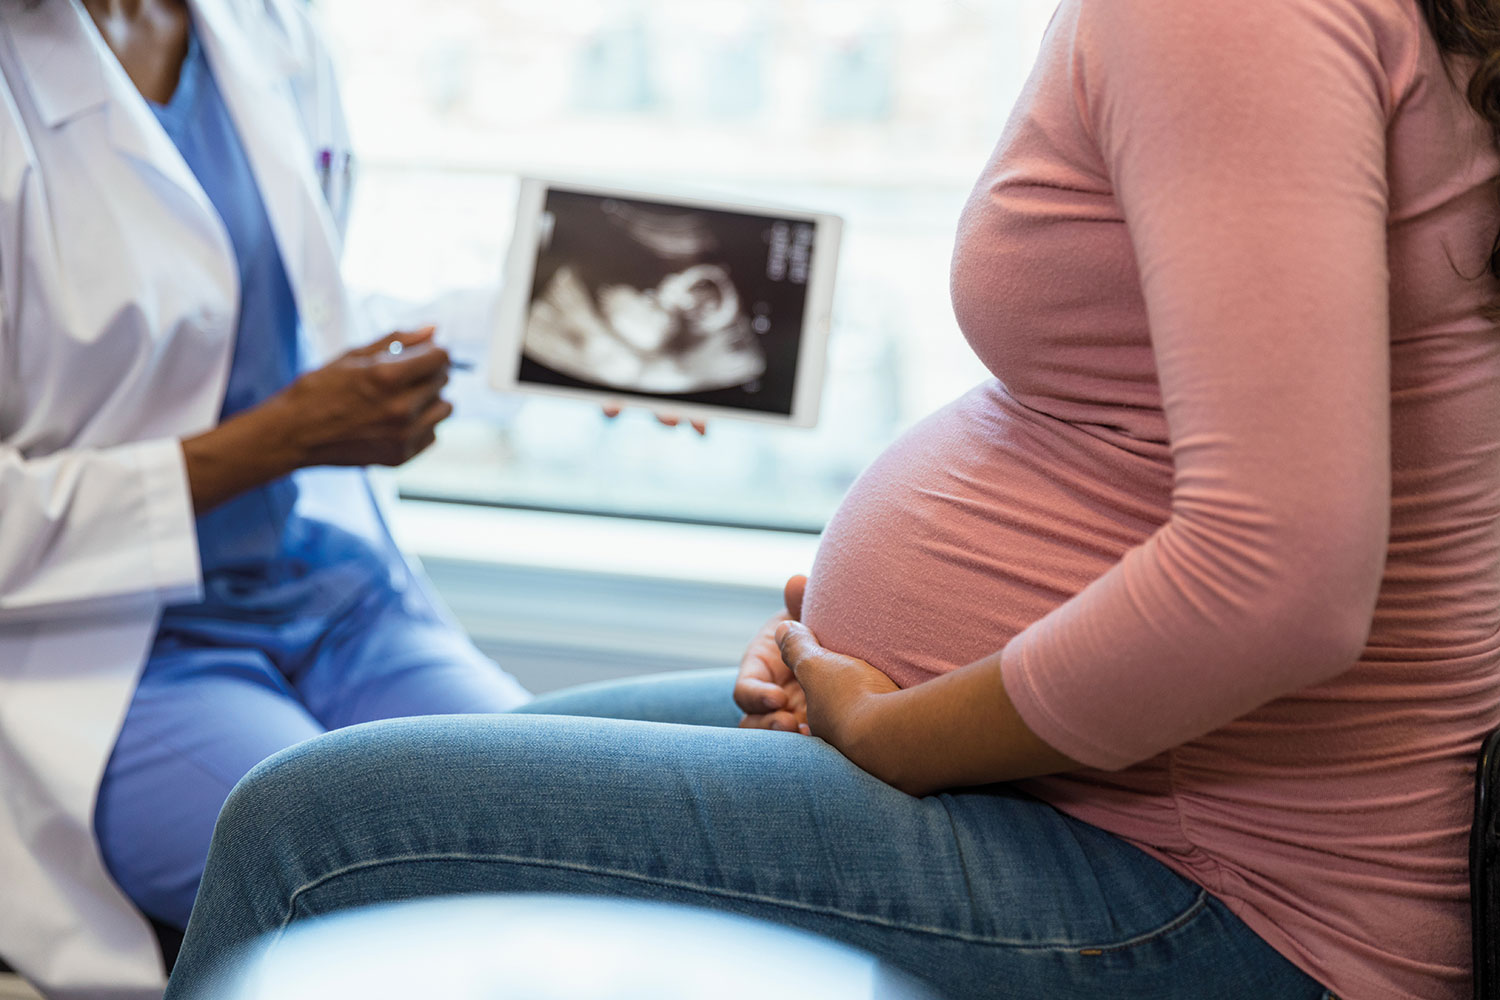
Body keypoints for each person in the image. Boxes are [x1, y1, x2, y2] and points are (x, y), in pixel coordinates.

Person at [158, 0, 1500, 998]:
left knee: (314, 834)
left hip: (1226, 880)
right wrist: (878, 654)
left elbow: (1281, 582)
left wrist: (909, 727)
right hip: (1114, 784)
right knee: (451, 768)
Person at [0, 0, 558, 995]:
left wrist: (560, 347)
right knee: (399, 922)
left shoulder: (264, 25)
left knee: (590, 846)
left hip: (321, 589)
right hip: (105, 652)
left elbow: (287, 319)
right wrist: (278, 439)